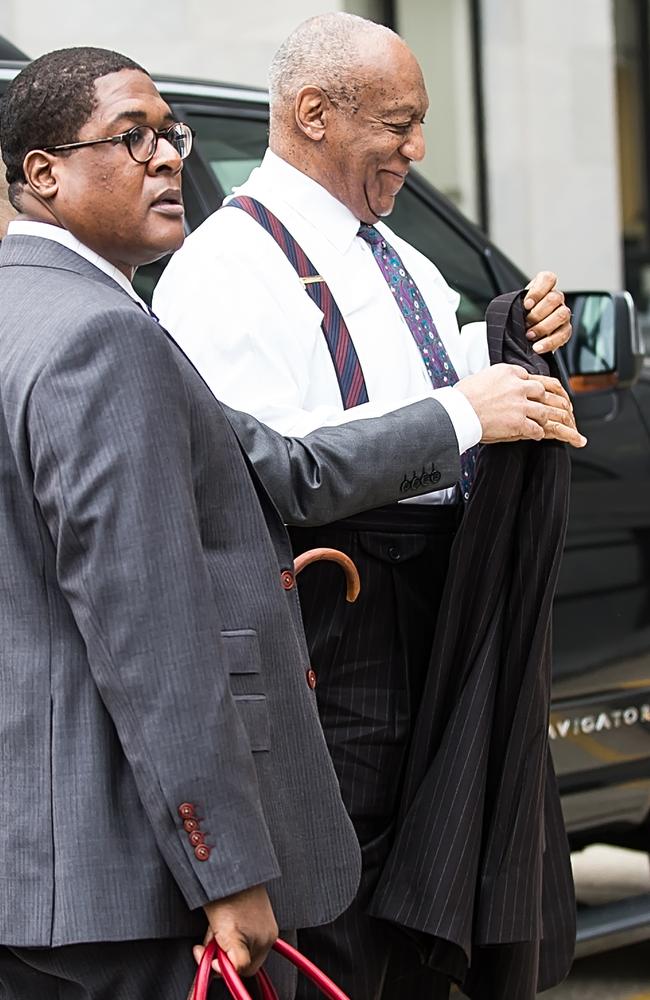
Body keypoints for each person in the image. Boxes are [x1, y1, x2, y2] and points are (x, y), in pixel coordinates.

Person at [0, 46, 580, 1000]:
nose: (167, 158)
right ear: (43, 173)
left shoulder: (43, 313)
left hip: (57, 868)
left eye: (170, 135)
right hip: (120, 869)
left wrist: (494, 352)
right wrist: (228, 871)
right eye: (131, 137)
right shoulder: (110, 331)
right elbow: (153, 625)